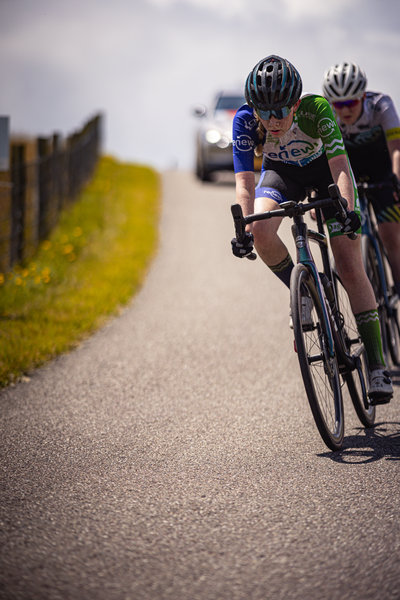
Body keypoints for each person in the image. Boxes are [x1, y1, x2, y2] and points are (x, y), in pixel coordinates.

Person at [231, 54, 393, 403]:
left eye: (280, 111)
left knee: (349, 264)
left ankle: (378, 366)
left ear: (295, 103)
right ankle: (305, 289)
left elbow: (339, 166)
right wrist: (244, 226)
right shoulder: (245, 120)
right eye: (264, 112)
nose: (272, 121)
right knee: (261, 231)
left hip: (326, 175)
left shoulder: (317, 109)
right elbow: (245, 180)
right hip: (282, 174)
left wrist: (348, 210)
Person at [322, 61, 400, 296]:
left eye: (351, 102)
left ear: (363, 96)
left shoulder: (380, 105)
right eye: (338, 104)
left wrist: (397, 180)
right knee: (353, 233)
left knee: (390, 233)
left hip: (382, 171)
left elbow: (396, 149)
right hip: (349, 173)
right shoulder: (327, 114)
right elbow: (323, 159)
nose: (345, 110)